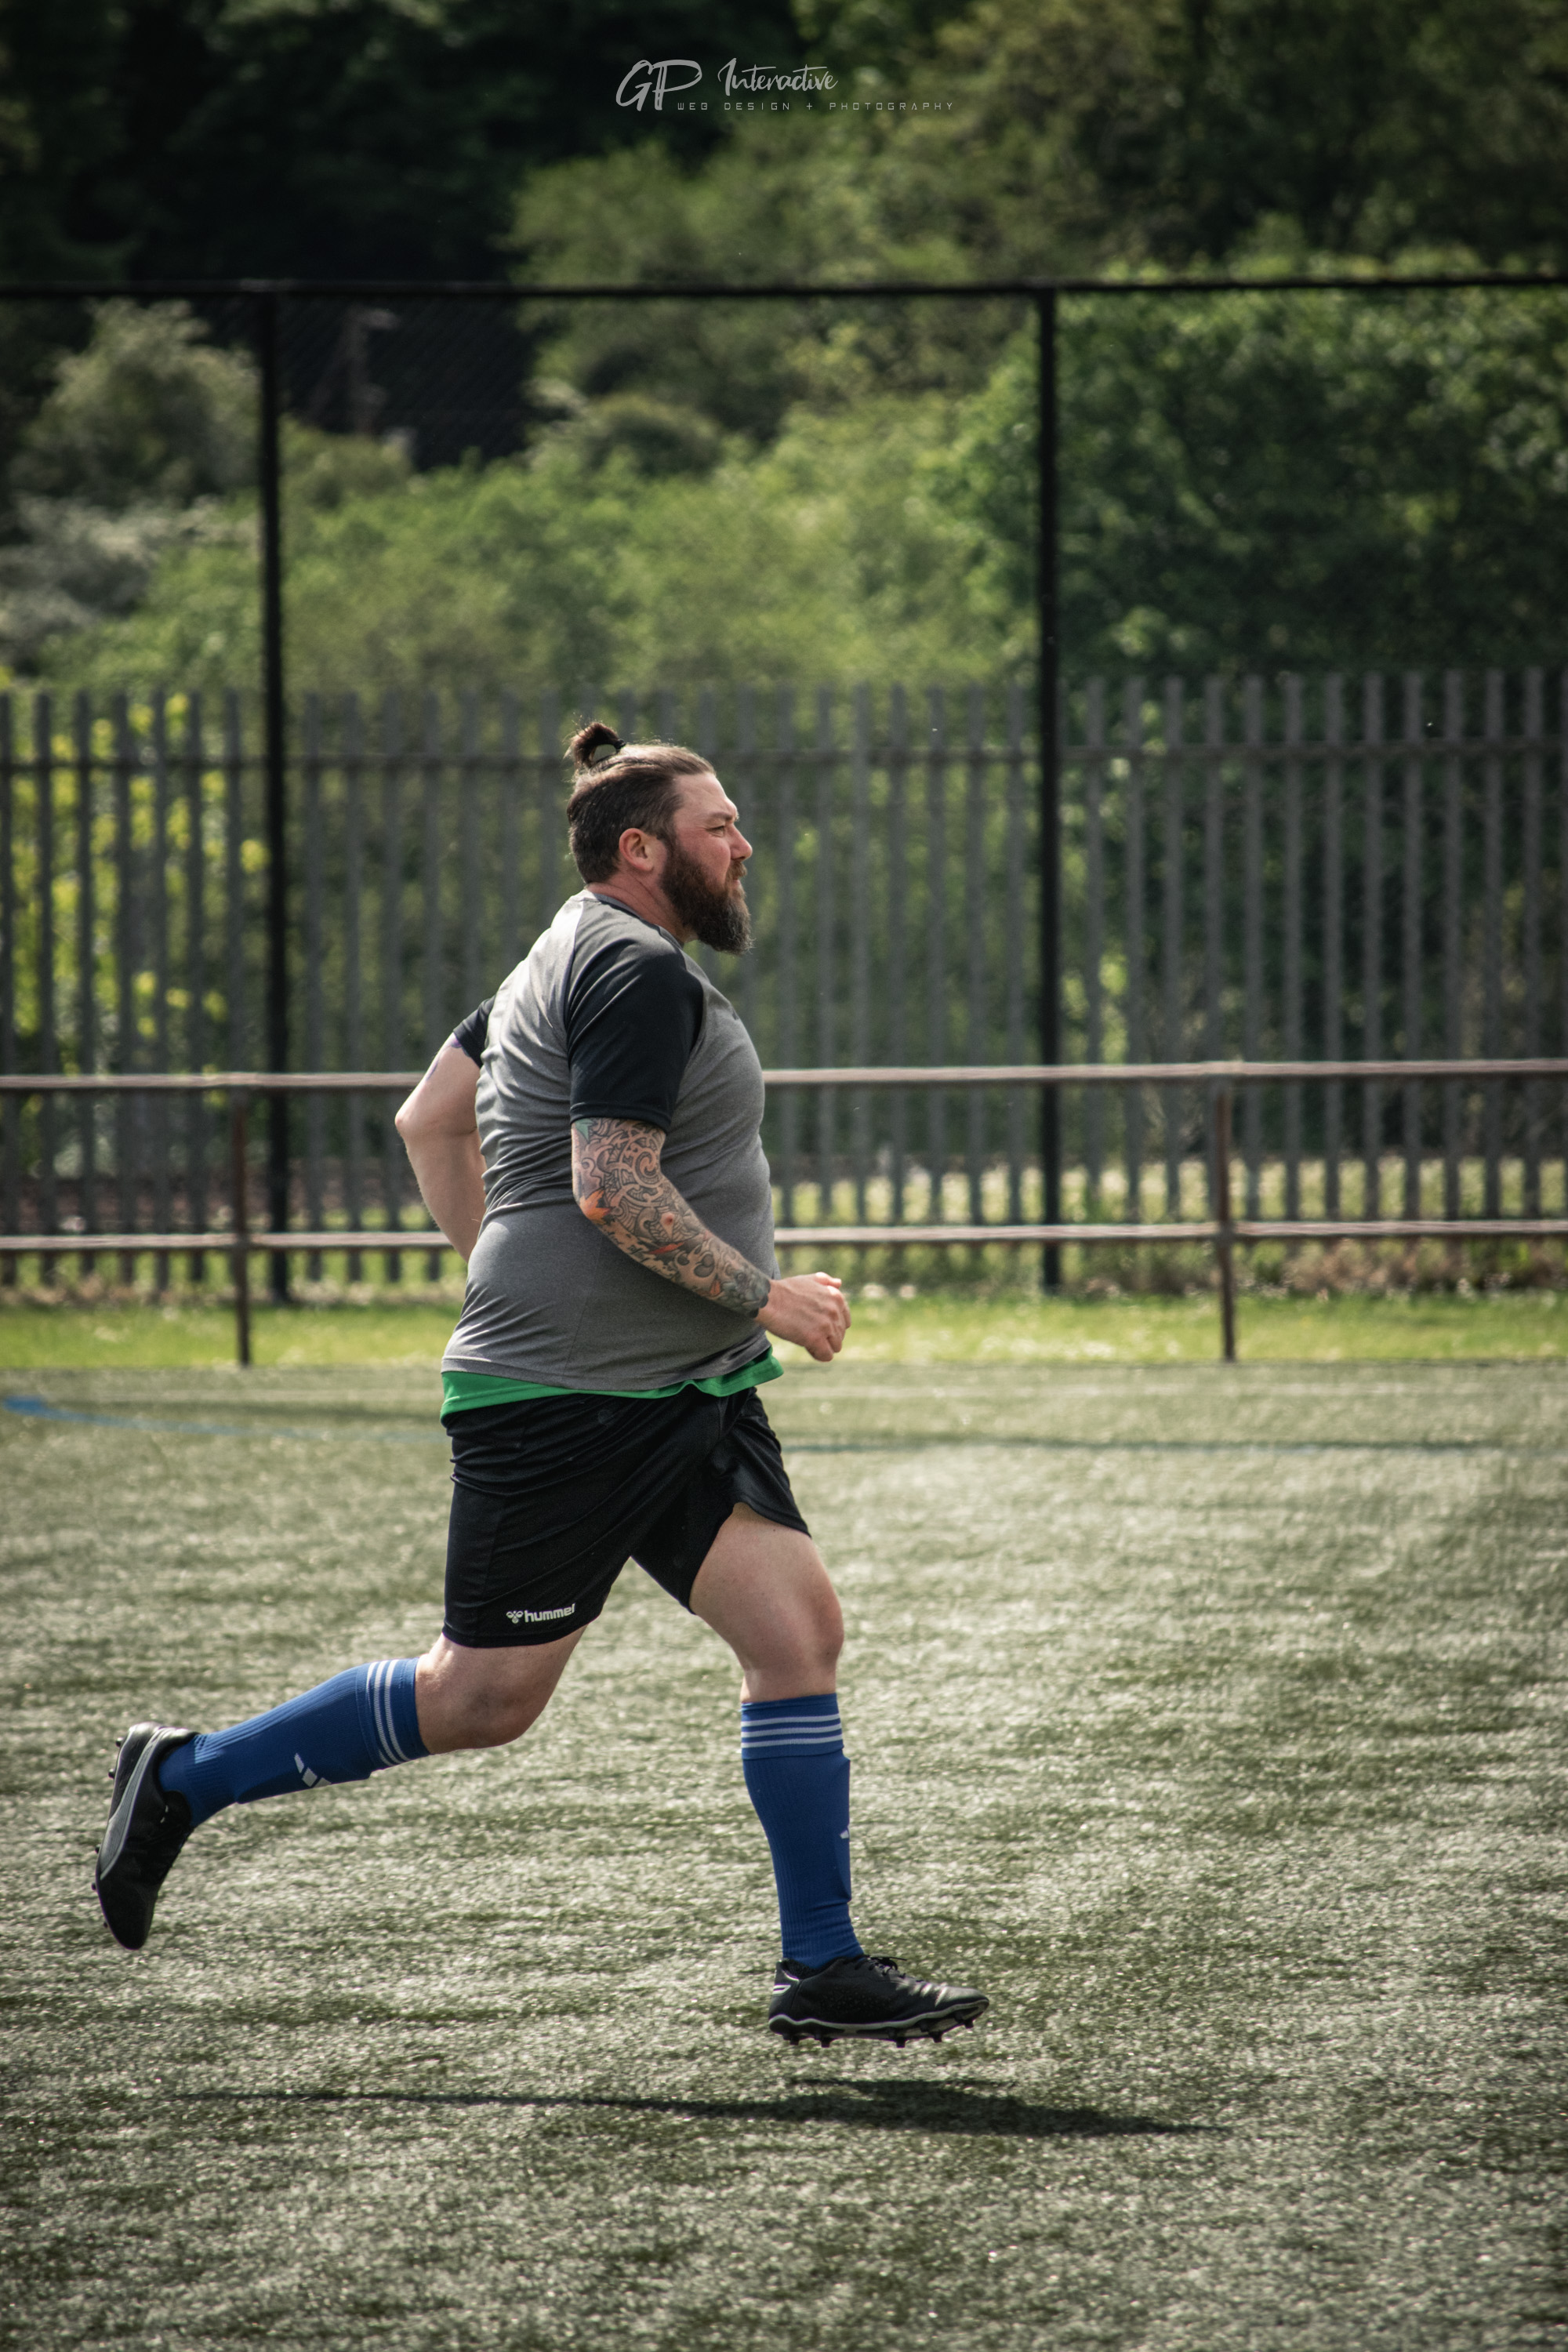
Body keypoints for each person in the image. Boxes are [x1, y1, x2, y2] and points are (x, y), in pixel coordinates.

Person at [94, 722, 987, 2050]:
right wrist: (767, 1297)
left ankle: (822, 1966)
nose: (743, 845)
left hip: (672, 1388)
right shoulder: (633, 974)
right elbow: (609, 1181)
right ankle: (185, 1775)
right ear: (645, 848)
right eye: (719, 824)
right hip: (571, 1400)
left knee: (795, 1635)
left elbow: (428, 1120)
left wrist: (505, 1272)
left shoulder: (554, 952)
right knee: (484, 1700)